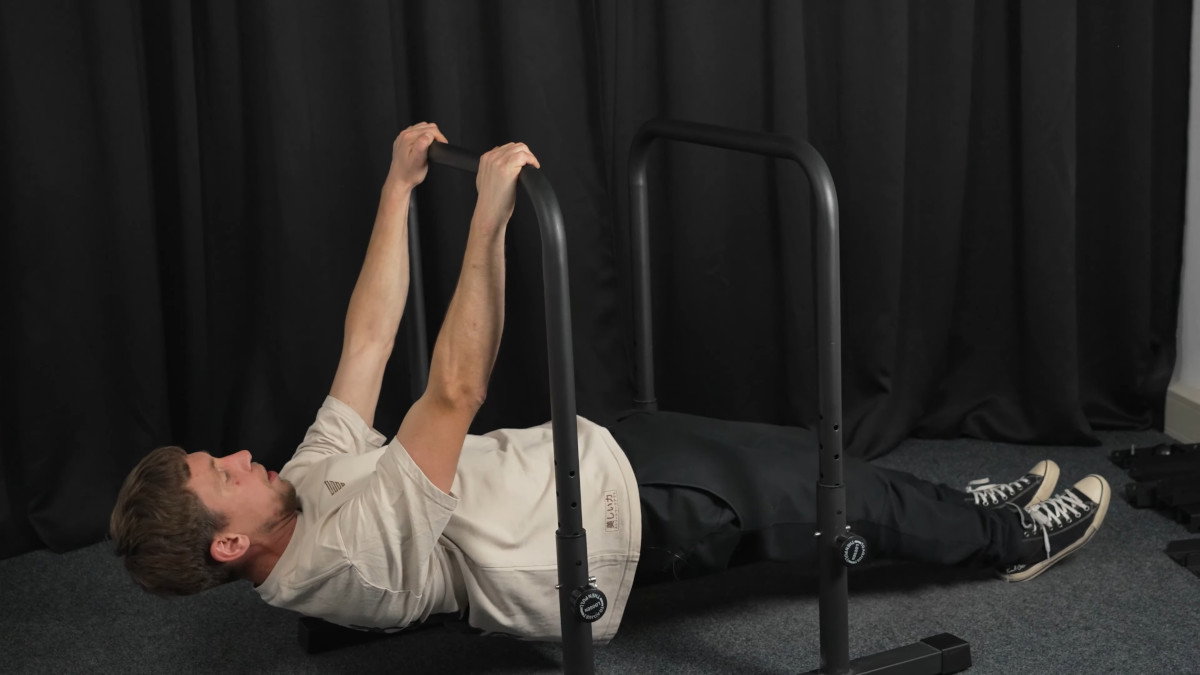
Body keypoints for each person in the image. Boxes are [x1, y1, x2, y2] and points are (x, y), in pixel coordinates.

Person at [109, 123, 1112, 643]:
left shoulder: (295, 502)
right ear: (230, 540)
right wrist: (488, 221)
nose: (241, 454)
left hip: (583, 462)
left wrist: (396, 190)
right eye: (220, 471)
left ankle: (950, 505)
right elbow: (452, 394)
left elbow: (368, 345)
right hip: (617, 524)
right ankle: (1002, 541)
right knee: (818, 481)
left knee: (808, 464)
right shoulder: (349, 558)